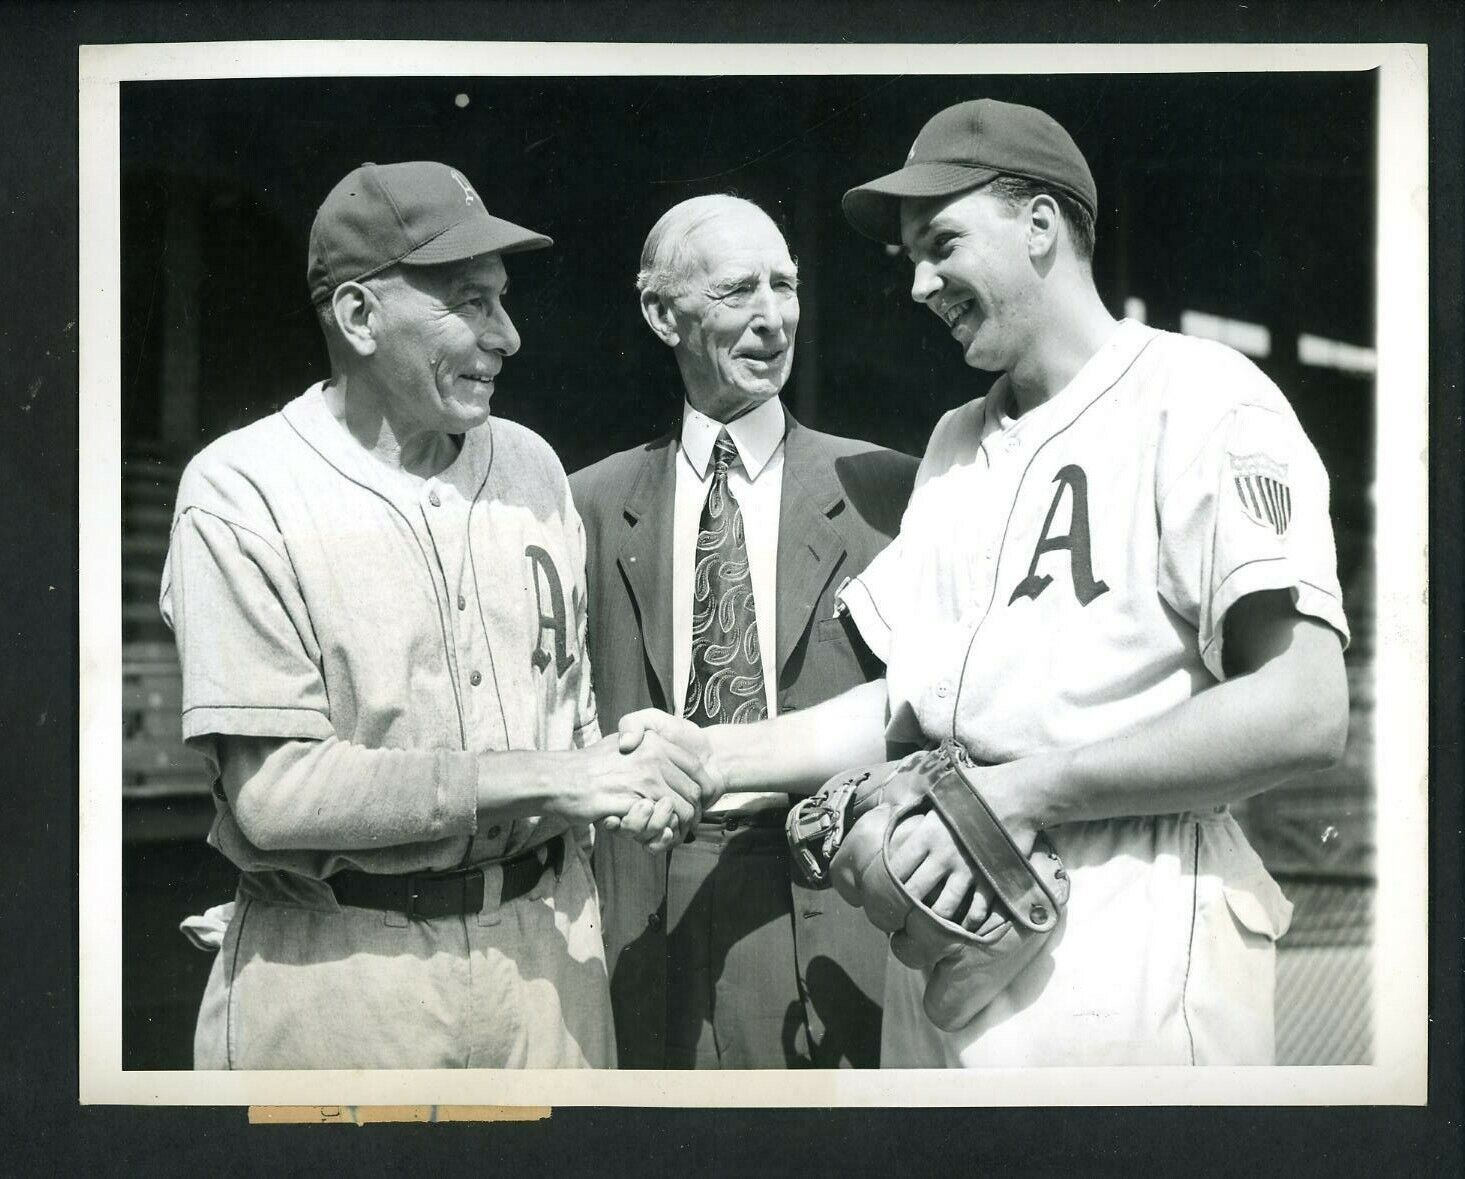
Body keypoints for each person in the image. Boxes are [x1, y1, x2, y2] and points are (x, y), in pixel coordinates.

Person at [620, 101, 1350, 1067]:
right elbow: (904, 704)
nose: (920, 283)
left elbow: (1303, 707)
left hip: (1131, 914)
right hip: (952, 925)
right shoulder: (957, 440)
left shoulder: (1201, 396)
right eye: (911, 257)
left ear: (1040, 224)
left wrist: (1022, 791)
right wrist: (713, 757)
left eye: (943, 243)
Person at [161, 160, 705, 1070]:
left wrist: (623, 778)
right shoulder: (243, 488)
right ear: (360, 318)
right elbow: (275, 796)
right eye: (470, 302)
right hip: (344, 976)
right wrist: (556, 775)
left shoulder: (530, 464)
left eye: (503, 299)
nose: (509, 336)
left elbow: (565, 723)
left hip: (545, 965)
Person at [571, 194, 918, 1068]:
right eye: (737, 291)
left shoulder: (889, 492)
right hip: (646, 910)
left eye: (785, 285)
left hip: (837, 898)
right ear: (662, 314)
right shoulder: (588, 504)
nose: (772, 317)